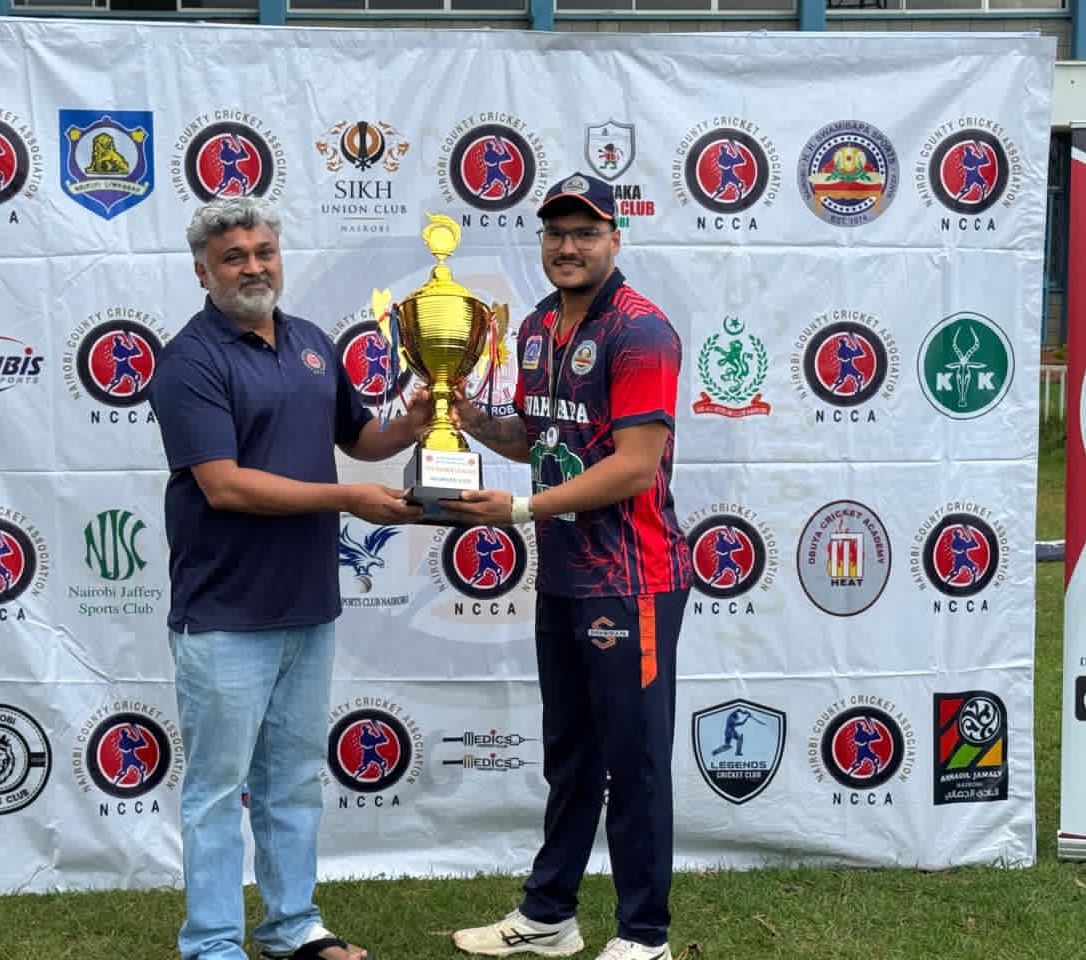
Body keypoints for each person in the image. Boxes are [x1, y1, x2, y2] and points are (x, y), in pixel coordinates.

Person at [148, 196, 427, 960]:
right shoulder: (190, 362)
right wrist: (348, 498)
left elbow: (359, 438)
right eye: (233, 257)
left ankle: (293, 926)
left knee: (294, 782)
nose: (252, 267)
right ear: (202, 272)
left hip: (308, 604)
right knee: (216, 791)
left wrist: (419, 417)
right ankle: (211, 943)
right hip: (225, 611)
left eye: (263, 250)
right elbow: (225, 486)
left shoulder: (309, 342)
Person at [442, 173, 693, 960]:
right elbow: (542, 436)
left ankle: (643, 935)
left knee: (636, 763)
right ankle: (550, 917)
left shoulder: (640, 330)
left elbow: (633, 468)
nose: (568, 246)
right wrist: (463, 415)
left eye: (585, 232)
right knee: (572, 755)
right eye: (555, 232)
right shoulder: (537, 326)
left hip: (633, 576)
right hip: (565, 573)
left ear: (615, 238)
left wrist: (518, 512)